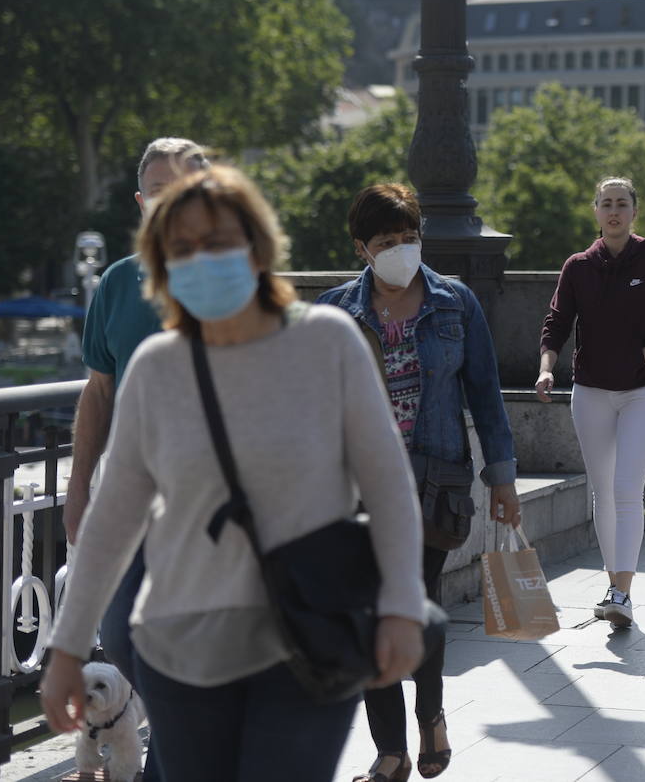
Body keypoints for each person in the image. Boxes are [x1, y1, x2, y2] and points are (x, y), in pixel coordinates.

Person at [42, 165, 428, 782]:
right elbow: (112, 520)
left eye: (217, 242)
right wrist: (66, 648)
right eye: (182, 248)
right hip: (180, 645)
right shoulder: (155, 368)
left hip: (308, 637)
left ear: (257, 245)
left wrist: (404, 608)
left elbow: (387, 485)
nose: (201, 259)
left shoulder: (327, 342)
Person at [318, 183, 521, 782]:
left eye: (410, 239)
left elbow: (485, 395)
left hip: (436, 483)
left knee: (418, 605)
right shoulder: (334, 314)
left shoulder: (455, 303)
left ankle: (430, 713)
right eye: (388, 242)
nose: (402, 251)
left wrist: (503, 481)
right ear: (362, 249)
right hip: (359, 489)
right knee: (367, 614)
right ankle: (390, 749)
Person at [61, 136, 210, 781]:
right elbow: (98, 389)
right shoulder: (119, 283)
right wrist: (77, 486)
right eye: (156, 191)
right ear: (140, 200)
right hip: (126, 496)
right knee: (121, 636)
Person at [535, 177, 645, 628]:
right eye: (606, 204)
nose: (614, 211)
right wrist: (546, 367)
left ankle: (623, 590)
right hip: (591, 390)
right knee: (602, 490)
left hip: (642, 390)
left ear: (634, 212)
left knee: (626, 488)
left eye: (622, 204)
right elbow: (557, 320)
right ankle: (613, 583)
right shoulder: (579, 266)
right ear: (596, 212)